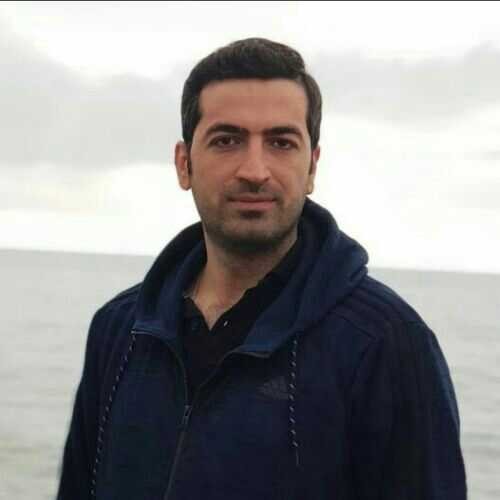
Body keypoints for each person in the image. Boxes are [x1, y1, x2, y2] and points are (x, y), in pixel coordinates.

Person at [57, 38, 467, 500]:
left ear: (311, 167)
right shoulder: (119, 330)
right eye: (227, 140)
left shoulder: (388, 343)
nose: (255, 170)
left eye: (280, 142)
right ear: (184, 164)